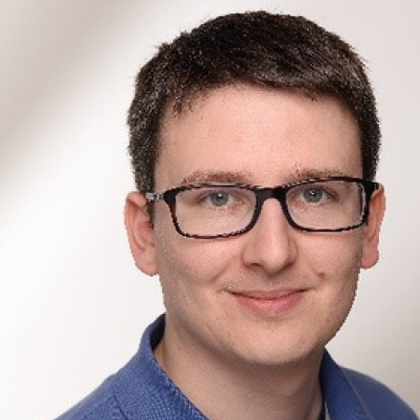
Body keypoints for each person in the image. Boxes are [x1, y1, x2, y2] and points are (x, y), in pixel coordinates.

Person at [55, 11, 418, 420]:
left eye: (314, 194)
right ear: (146, 234)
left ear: (370, 225)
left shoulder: (390, 412)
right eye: (219, 199)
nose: (273, 253)